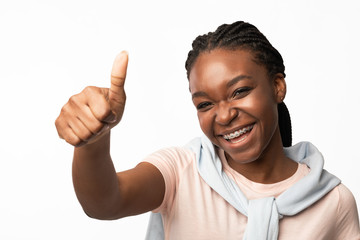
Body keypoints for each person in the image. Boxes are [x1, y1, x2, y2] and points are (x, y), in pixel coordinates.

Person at [55, 21, 360, 239]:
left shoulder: (333, 202)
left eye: (240, 91)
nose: (224, 115)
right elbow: (105, 202)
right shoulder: (182, 171)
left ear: (277, 86)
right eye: (204, 104)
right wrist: (93, 141)